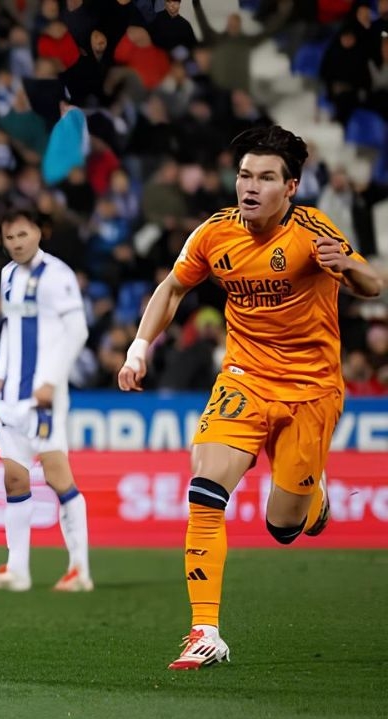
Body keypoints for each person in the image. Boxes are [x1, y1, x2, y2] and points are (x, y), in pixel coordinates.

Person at [118, 125, 383, 670]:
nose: (251, 186)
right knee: (204, 490)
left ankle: (314, 498)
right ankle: (204, 630)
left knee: (283, 527)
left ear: (291, 188)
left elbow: (372, 285)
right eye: (244, 175)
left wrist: (347, 266)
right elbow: (172, 287)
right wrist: (139, 347)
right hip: (243, 377)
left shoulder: (312, 232)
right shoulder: (215, 233)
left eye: (265, 177)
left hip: (311, 388)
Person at [0, 209, 93, 594]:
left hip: (43, 398)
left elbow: (77, 330)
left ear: (39, 232)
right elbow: (11, 327)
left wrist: (50, 381)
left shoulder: (57, 275)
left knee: (59, 478)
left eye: (23, 235)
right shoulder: (8, 275)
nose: (17, 243)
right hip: (10, 398)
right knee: (14, 479)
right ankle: (17, 569)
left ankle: (79, 570)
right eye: (9, 238)